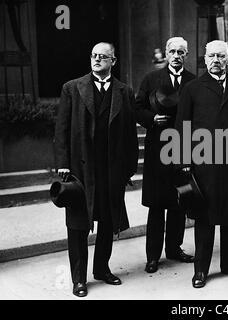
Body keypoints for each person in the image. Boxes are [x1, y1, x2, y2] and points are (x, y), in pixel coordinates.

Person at [54, 42, 138, 297]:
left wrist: (128, 169)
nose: (97, 59)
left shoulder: (124, 91)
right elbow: (62, 129)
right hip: (80, 171)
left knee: (108, 222)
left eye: (103, 56)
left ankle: (101, 269)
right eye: (94, 55)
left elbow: (129, 134)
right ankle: (79, 278)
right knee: (78, 224)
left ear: (114, 60)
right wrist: (62, 163)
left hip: (111, 170)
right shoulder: (72, 88)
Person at [175, 40, 228, 288]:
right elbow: (182, 126)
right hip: (203, 162)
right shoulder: (193, 88)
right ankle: (200, 269)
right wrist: (183, 161)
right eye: (211, 56)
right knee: (205, 216)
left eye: (221, 56)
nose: (216, 60)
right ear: (205, 58)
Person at [135, 37, 195, 274]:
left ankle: (174, 248)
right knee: (157, 204)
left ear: (186, 54)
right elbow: (137, 107)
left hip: (183, 148)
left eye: (181, 51)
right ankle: (152, 256)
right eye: (172, 51)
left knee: (180, 200)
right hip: (157, 150)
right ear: (167, 54)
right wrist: (151, 119)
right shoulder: (151, 79)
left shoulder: (193, 81)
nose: (177, 55)